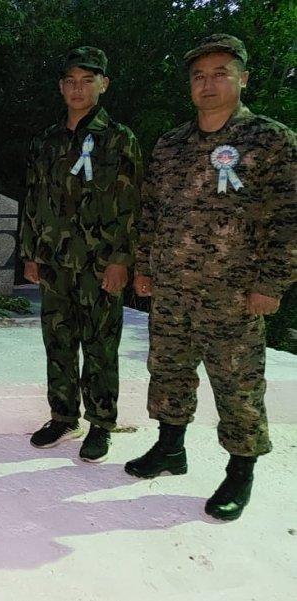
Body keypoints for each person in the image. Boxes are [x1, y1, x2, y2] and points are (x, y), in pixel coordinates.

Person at [125, 34, 296, 520]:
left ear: (244, 79)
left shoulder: (271, 140)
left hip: (235, 293)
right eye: (199, 75)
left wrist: (272, 284)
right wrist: (144, 266)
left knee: (237, 383)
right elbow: (152, 211)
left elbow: (289, 219)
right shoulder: (171, 144)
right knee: (168, 370)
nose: (208, 84)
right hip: (173, 287)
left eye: (221, 73)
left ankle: (240, 470)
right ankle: (170, 448)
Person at [20, 46, 144, 462]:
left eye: (87, 80)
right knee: (57, 341)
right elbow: (32, 198)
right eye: (71, 81)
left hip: (99, 264)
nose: (78, 89)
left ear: (103, 84)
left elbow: (132, 205)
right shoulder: (45, 141)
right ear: (61, 87)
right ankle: (63, 416)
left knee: (100, 346)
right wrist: (31, 253)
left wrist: (121, 260)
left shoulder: (119, 138)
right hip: (54, 261)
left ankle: (101, 423)